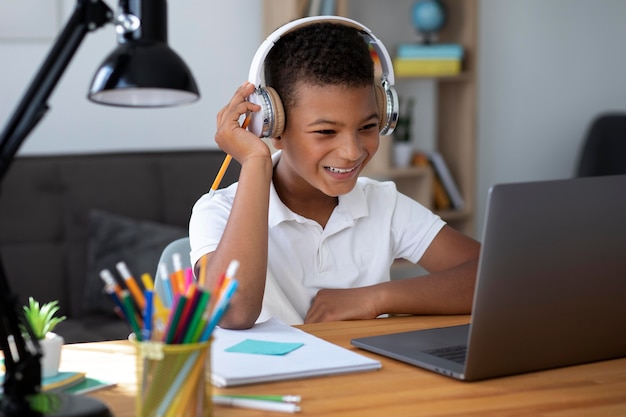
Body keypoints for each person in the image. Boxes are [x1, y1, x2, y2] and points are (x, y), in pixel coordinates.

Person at [189, 17, 480, 330]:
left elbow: (496, 274)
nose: (352, 151)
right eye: (326, 131)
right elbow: (233, 314)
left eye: (367, 127)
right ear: (273, 128)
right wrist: (256, 162)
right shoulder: (217, 211)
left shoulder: (384, 203)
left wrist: (376, 297)